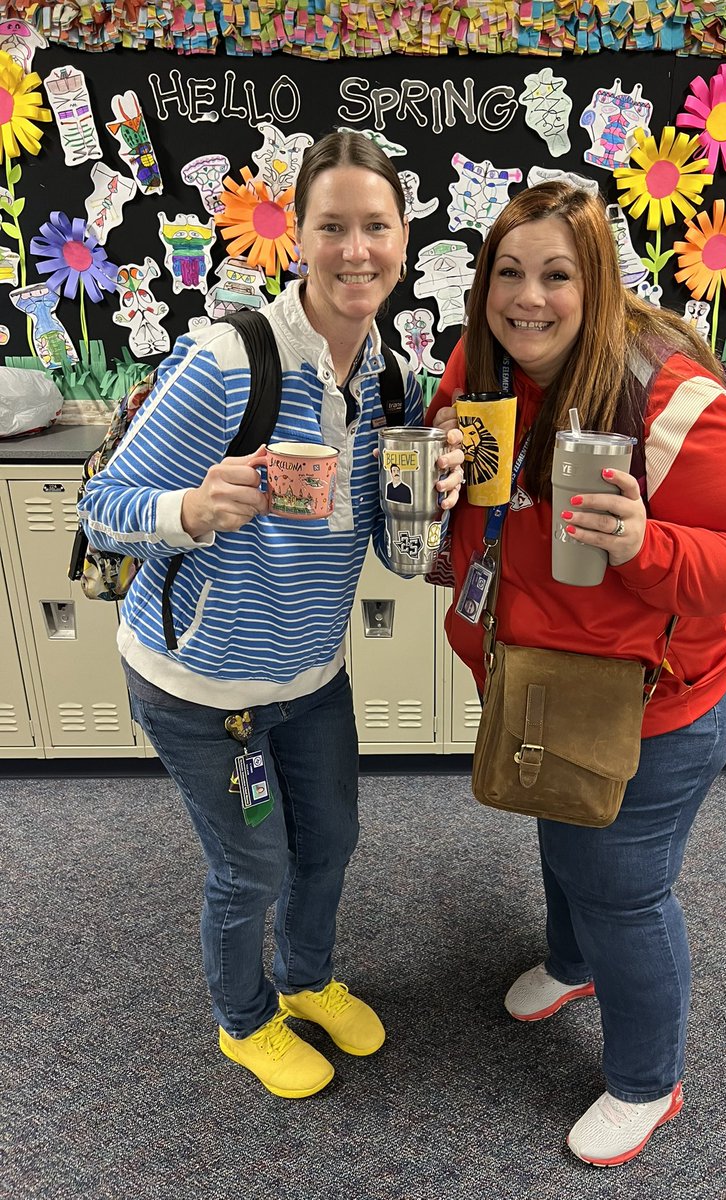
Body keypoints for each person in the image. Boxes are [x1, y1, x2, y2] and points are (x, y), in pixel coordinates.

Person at [78, 131, 465, 1100]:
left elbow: (385, 546)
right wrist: (189, 511)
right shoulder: (226, 363)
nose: (355, 251)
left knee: (329, 843)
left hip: (309, 678)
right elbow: (103, 510)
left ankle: (305, 979)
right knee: (248, 870)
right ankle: (243, 1022)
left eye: (374, 227)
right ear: (295, 240)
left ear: (404, 238)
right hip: (200, 686)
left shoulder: (388, 380)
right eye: (331, 227)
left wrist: (434, 495)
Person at [426, 182, 726, 1166]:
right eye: (510, 273)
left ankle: (646, 1081)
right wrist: (435, 468)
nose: (528, 299)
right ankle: (573, 961)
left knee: (622, 888)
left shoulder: (670, 398)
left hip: (655, 706)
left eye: (557, 275)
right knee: (562, 835)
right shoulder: (480, 366)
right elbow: (451, 476)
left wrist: (645, 542)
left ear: (597, 282)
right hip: (537, 678)